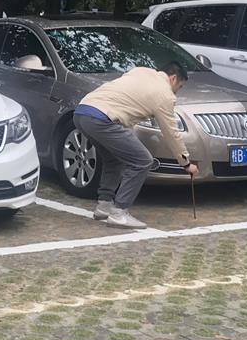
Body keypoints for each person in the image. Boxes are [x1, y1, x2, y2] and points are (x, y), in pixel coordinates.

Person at [73, 61, 198, 229]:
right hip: (101, 119)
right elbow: (171, 133)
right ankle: (119, 213)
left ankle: (104, 205)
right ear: (173, 78)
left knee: (113, 159)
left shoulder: (140, 71)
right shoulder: (165, 95)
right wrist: (186, 163)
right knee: (143, 161)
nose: (177, 91)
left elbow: (126, 102)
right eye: (180, 86)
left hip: (81, 112)